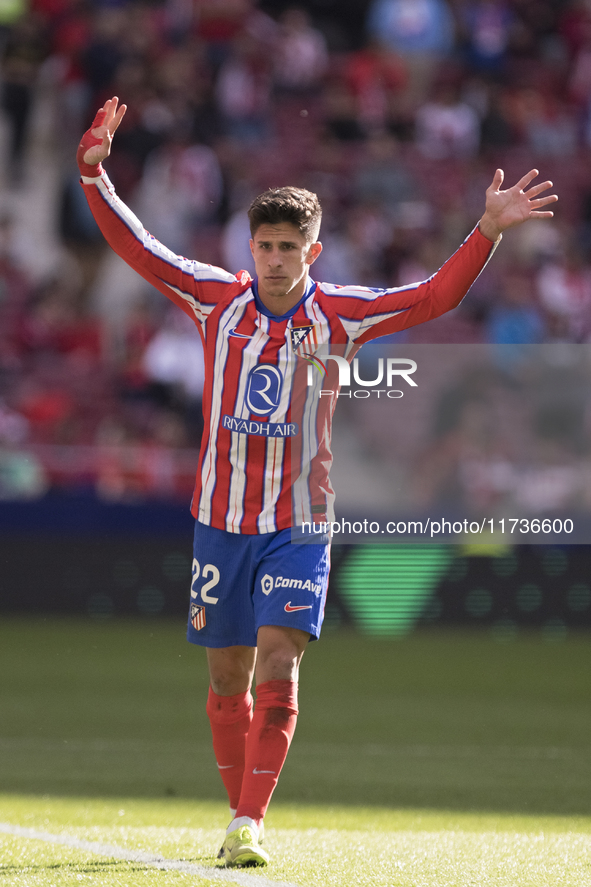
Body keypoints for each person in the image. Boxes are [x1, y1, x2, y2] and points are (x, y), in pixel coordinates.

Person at [76, 96, 557, 868]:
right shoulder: (215, 302)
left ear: (313, 249)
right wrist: (94, 176)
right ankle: (238, 816)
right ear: (250, 247)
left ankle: (248, 822)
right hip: (220, 520)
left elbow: (432, 297)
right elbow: (143, 252)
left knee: (277, 660)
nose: (272, 257)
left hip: (300, 522)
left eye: (286, 246)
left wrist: (485, 232)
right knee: (226, 673)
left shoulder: (339, 316)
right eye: (263, 244)